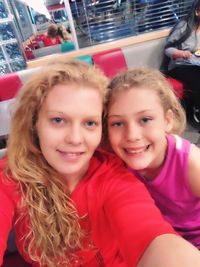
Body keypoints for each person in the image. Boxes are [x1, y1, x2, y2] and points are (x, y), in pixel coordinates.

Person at [1, 61, 200, 267]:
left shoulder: (113, 174)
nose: (75, 138)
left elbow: (149, 232)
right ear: (34, 123)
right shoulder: (12, 175)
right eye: (58, 120)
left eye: (90, 123)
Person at [106, 66, 200, 250]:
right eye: (117, 123)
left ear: (167, 120)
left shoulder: (191, 163)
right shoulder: (116, 160)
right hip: (158, 242)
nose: (132, 135)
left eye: (145, 119)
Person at [164, 0, 200, 124]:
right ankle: (195, 113)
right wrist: (180, 53)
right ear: (197, 12)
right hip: (180, 66)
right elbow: (168, 49)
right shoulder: (184, 26)